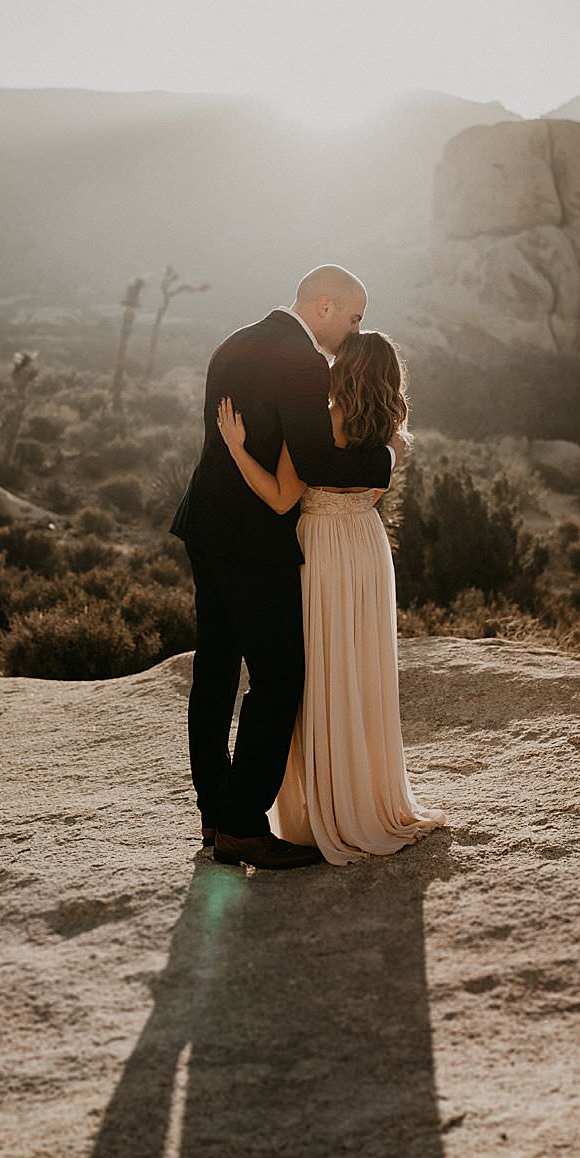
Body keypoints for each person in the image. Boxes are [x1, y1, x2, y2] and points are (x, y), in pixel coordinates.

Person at [168, 265, 403, 870]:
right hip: (254, 539)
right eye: (352, 317)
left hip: (206, 524)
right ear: (323, 306)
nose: (355, 330)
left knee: (216, 673)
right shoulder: (301, 362)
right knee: (279, 678)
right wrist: (386, 458)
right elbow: (318, 459)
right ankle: (245, 824)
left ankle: (215, 815)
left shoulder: (234, 342)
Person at [214, 326, 444, 864]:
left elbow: (278, 499)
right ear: (390, 380)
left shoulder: (320, 426)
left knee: (319, 672)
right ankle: (363, 799)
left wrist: (236, 449)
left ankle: (317, 809)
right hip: (365, 550)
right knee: (360, 670)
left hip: (317, 550)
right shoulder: (397, 442)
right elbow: (366, 488)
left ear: (345, 371)